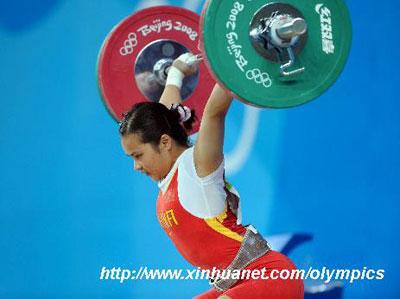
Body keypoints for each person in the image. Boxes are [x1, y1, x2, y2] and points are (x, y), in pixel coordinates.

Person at [119, 53, 304, 298]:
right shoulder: (167, 176)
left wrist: (238, 58)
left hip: (267, 276)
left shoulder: (197, 167)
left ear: (164, 143)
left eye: (138, 155)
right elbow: (163, 114)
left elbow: (214, 113)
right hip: (234, 286)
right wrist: (175, 74)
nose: (136, 166)